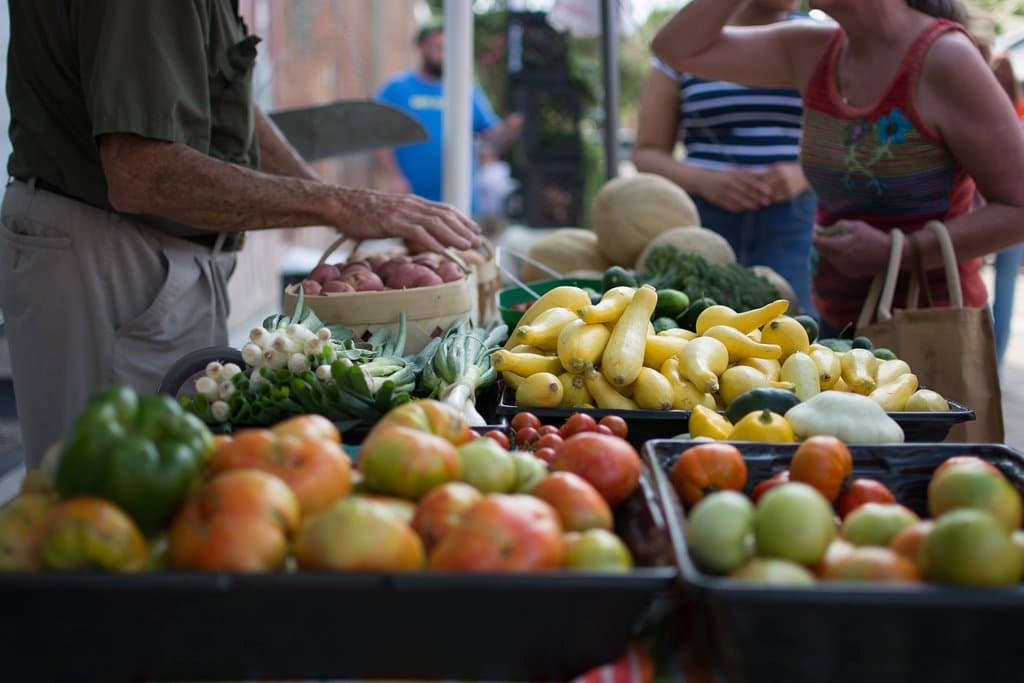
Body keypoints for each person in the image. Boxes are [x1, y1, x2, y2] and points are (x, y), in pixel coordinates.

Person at [0, 1, 480, 468]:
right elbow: (140, 173)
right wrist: (339, 203)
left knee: (172, 488)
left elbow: (225, 102)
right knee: (106, 505)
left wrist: (333, 203)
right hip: (109, 252)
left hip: (153, 255)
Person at [652, 0, 1024, 337]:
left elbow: (1018, 208)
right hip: (836, 326)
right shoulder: (812, 49)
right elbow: (675, 48)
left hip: (929, 333)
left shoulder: (945, 57)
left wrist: (900, 250)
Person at [634, 0, 817, 315]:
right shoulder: (684, 47)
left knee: (797, 329)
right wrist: (705, 182)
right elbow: (646, 152)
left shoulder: (816, 40)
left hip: (794, 220)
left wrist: (803, 172)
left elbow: (861, 137)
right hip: (704, 221)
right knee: (698, 330)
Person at [374, 23, 523, 211]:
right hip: (410, 198)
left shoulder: (466, 91)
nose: (442, 54)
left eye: (447, 48)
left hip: (459, 198)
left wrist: (508, 130)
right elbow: (379, 138)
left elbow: (490, 136)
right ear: (420, 47)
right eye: (436, 47)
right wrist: (393, 177)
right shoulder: (396, 88)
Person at [989, 52, 1024, 369]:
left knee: (979, 292)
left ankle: (990, 362)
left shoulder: (980, 118)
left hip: (988, 217)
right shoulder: (1018, 119)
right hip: (1008, 222)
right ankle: (993, 366)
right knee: (1003, 289)